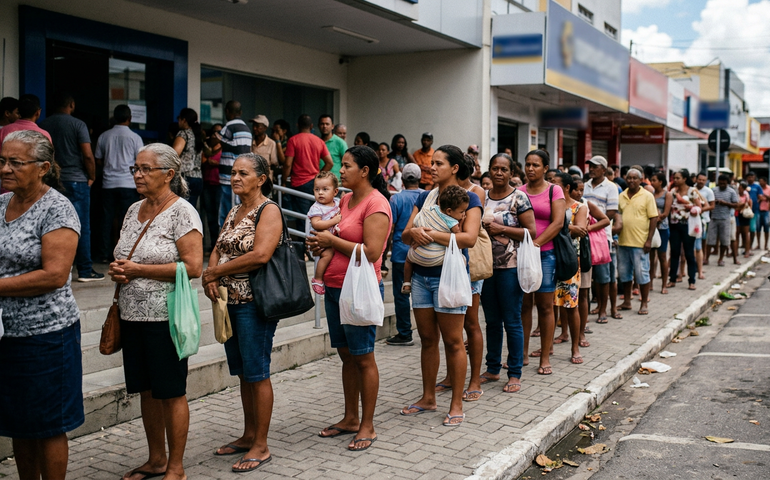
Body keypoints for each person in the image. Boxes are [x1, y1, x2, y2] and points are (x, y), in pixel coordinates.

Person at [109, 143, 203, 480]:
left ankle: (176, 467)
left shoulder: (183, 212)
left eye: (146, 169)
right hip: (131, 315)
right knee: (146, 390)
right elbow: (125, 255)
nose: (137, 174)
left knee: (171, 391)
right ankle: (156, 459)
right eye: (136, 168)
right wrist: (120, 269)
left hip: (166, 317)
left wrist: (137, 270)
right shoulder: (133, 209)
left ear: (169, 174)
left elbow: (193, 267)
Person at [0, 130, 83, 480]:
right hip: (8, 334)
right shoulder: (2, 202)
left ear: (43, 167)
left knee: (48, 424)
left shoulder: (57, 209)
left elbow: (54, 274)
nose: (5, 168)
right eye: (2, 160)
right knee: (20, 422)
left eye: (15, 163)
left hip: (48, 336)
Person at [307, 145, 391, 451]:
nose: (340, 170)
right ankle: (350, 417)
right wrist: (321, 244)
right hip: (333, 286)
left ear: (364, 171)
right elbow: (337, 234)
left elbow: (372, 252)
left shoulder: (377, 204)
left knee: (363, 356)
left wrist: (331, 240)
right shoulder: (344, 199)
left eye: (346, 165)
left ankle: (367, 425)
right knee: (346, 355)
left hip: (358, 289)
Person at [202, 153, 282, 473]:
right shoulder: (235, 209)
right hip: (228, 301)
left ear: (261, 179)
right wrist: (211, 272)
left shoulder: (268, 210)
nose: (235, 178)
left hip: (254, 303)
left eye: (243, 173)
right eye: (233, 172)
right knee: (243, 372)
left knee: (257, 372)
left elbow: (261, 254)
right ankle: (249, 434)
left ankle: (261, 445)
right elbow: (219, 245)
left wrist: (215, 273)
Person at [400, 145, 481, 426]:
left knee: (454, 341)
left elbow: (469, 239)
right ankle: (428, 398)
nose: (432, 167)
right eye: (431, 163)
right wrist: (414, 232)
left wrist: (430, 233)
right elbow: (404, 234)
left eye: (438, 163)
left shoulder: (469, 198)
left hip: (448, 278)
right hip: (420, 278)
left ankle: (456, 404)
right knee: (427, 341)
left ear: (455, 168)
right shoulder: (424, 196)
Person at [478, 153, 536, 393]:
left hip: (510, 268)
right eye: (494, 168)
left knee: (511, 321)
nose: (498, 173)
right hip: (485, 267)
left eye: (503, 169)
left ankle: (514, 373)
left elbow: (530, 231)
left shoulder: (519, 197)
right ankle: (492, 368)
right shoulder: (482, 198)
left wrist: (501, 228)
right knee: (491, 321)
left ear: (511, 172)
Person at [38, 92, 102, 282]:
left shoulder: (43, 125)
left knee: (49, 225)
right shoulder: (78, 124)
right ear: (71, 105)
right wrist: (92, 176)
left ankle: (53, 267)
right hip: (76, 181)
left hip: (49, 181)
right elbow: (88, 154)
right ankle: (85, 270)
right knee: (81, 225)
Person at [520, 150, 566, 375]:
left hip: (546, 255)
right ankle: (523, 353)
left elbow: (557, 223)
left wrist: (536, 244)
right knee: (524, 305)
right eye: (527, 164)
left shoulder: (554, 190)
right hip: (521, 256)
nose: (530, 169)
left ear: (545, 168)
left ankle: (545, 357)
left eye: (535, 165)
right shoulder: (518, 192)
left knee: (546, 306)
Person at [95, 104, 143, 262]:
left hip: (108, 184)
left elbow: (99, 159)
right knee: (127, 221)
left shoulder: (104, 136)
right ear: (130, 119)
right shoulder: (135, 138)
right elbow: (140, 162)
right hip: (128, 184)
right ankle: (124, 254)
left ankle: (103, 254)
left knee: (106, 220)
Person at [401, 186, 468, 294]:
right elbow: (458, 235)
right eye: (462, 212)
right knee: (462, 259)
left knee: (408, 260)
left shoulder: (430, 209)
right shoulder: (452, 221)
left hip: (416, 255)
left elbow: (417, 220)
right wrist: (461, 223)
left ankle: (407, 283)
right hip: (438, 261)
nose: (464, 214)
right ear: (449, 211)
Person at [551, 172, 588, 364]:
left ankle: (575, 347)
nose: (551, 186)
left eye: (555, 184)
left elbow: (580, 230)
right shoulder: (549, 204)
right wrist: (568, 227)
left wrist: (559, 225)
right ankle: (548, 346)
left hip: (569, 260)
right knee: (549, 305)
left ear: (566, 187)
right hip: (549, 257)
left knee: (571, 304)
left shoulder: (579, 207)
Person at [386, 163, 423, 346]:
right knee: (423, 293)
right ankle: (427, 334)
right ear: (419, 179)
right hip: (423, 252)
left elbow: (390, 229)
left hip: (401, 254)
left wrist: (385, 252)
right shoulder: (427, 196)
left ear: (402, 180)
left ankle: (405, 333)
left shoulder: (396, 199)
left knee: (402, 295)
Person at [571, 179, 609, 350]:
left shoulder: (586, 204)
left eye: (581, 190)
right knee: (568, 298)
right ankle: (565, 331)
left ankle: (581, 332)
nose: (579, 193)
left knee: (584, 294)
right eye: (576, 190)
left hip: (584, 253)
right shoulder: (561, 204)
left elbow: (605, 220)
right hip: (567, 254)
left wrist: (588, 229)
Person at [616, 169, 658, 315]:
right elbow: (617, 217)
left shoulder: (647, 196)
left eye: (635, 178)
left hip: (640, 243)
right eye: (629, 178)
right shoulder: (621, 195)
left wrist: (649, 240)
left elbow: (654, 217)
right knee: (624, 274)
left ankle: (644, 302)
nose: (631, 180)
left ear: (641, 180)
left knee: (642, 274)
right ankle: (627, 301)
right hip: (623, 242)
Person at [582, 156, 619, 323]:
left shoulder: (611, 187)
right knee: (586, 277)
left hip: (602, 236)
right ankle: (587, 310)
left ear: (603, 169)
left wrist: (592, 221)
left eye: (595, 167)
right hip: (584, 235)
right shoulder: (585, 185)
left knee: (603, 277)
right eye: (590, 166)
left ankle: (603, 311)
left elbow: (611, 213)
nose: (591, 169)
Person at [282, 114, 333, 217]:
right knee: (316, 216)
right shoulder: (319, 141)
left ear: (297, 125)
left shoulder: (293, 140)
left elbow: (287, 164)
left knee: (303, 218)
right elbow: (330, 163)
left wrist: (283, 181)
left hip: (299, 184)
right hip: (315, 183)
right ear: (311, 126)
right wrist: (319, 175)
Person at [217, 101, 252, 226]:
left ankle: (225, 244)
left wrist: (215, 135)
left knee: (227, 215)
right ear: (240, 112)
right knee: (235, 212)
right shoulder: (247, 129)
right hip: (241, 177)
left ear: (227, 111)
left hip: (229, 178)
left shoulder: (229, 127)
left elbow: (217, 141)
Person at [667, 169, 701, 290]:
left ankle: (692, 280)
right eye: (674, 178)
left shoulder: (692, 191)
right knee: (674, 252)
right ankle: (672, 279)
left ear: (684, 179)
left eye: (678, 178)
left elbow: (699, 207)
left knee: (689, 253)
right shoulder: (672, 191)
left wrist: (691, 208)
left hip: (688, 224)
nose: (675, 180)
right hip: (674, 224)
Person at [308, 171, 341, 295]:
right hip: (319, 241)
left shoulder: (337, 203)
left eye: (325, 189)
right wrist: (334, 220)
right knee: (328, 255)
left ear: (335, 192)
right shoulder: (316, 208)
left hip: (331, 239)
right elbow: (316, 224)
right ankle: (318, 278)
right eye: (317, 189)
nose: (320, 193)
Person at [172, 108, 204, 210]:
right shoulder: (197, 134)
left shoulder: (183, 134)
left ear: (184, 120)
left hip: (185, 177)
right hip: (198, 177)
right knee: (191, 210)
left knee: (182, 210)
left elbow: (174, 153)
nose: (178, 122)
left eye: (179, 119)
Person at [708, 174, 740, 266]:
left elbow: (736, 205)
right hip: (713, 217)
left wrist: (725, 203)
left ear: (727, 183)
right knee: (710, 239)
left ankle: (721, 259)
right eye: (720, 182)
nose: (722, 184)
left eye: (724, 183)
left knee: (724, 241)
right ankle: (706, 258)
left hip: (726, 218)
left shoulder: (731, 192)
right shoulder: (713, 190)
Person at [201, 124, 223, 252]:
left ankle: (219, 246)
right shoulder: (207, 147)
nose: (216, 135)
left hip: (220, 185)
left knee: (219, 216)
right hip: (207, 185)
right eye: (214, 132)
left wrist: (216, 163)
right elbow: (202, 161)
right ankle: (213, 245)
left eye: (219, 132)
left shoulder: (224, 148)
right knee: (210, 217)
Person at [650, 172, 672, 294]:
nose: (652, 182)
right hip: (652, 228)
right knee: (651, 257)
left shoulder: (667, 195)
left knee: (662, 256)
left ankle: (664, 284)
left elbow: (666, 213)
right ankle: (650, 283)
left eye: (654, 180)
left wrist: (657, 218)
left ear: (661, 182)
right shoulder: (651, 194)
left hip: (662, 228)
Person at [694, 172, 714, 278]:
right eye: (699, 179)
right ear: (696, 179)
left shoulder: (708, 191)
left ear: (706, 181)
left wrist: (699, 210)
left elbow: (712, 206)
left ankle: (701, 264)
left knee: (701, 243)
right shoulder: (692, 190)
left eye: (703, 180)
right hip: (693, 221)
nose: (701, 182)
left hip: (703, 220)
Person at [249, 115, 279, 180]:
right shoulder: (250, 141)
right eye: (253, 126)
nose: (254, 128)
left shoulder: (271, 143)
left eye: (257, 126)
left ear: (265, 128)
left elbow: (274, 163)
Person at [745, 171, 761, 249]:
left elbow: (760, 196)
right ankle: (745, 245)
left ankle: (750, 245)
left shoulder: (757, 187)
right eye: (749, 177)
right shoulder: (745, 186)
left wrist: (755, 202)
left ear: (754, 177)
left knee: (752, 228)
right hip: (744, 210)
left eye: (752, 177)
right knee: (744, 229)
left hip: (754, 210)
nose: (750, 178)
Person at [737, 182, 752, 257]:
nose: (739, 189)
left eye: (740, 188)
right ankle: (735, 250)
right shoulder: (736, 194)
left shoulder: (746, 194)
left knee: (746, 233)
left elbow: (749, 203)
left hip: (744, 215)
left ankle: (747, 251)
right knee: (737, 233)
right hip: (737, 214)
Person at [758, 177, 770, 250]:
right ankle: (758, 244)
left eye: (761, 181)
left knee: (766, 229)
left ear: (765, 182)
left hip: (766, 211)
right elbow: (758, 198)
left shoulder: (769, 188)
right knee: (758, 228)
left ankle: (765, 245)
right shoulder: (758, 188)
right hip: (758, 210)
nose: (760, 183)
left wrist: (764, 196)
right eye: (759, 181)